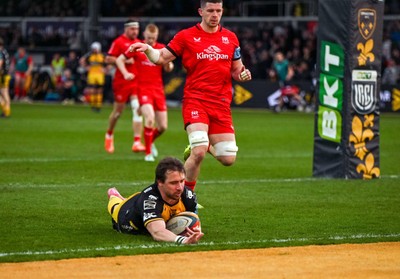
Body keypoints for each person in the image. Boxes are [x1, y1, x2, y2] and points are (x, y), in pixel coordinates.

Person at [130, 0, 252, 191]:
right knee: (199, 152)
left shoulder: (230, 38)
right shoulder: (186, 36)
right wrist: (147, 49)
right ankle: (187, 199)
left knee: (228, 158)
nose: (215, 15)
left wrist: (243, 74)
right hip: (196, 100)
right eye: (210, 10)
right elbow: (161, 57)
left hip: (221, 103)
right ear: (201, 11)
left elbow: (237, 70)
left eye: (218, 11)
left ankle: (201, 143)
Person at [107, 156, 204, 245]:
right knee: (115, 206)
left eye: (182, 181)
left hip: (140, 200)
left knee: (141, 201)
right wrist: (183, 240)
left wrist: (194, 230)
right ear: (160, 182)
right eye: (173, 183)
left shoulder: (188, 196)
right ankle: (113, 195)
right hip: (125, 213)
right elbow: (157, 232)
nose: (180, 187)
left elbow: (193, 221)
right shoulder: (149, 201)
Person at [116, 23, 174, 162]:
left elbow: (169, 68)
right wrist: (125, 73)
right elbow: (120, 59)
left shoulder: (161, 48)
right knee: (149, 118)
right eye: (148, 38)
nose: (150, 41)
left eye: (153, 38)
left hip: (158, 90)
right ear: (144, 35)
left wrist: (168, 64)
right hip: (143, 89)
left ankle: (149, 141)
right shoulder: (138, 47)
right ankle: (148, 153)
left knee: (163, 127)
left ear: (157, 36)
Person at [104, 19, 145, 154]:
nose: (135, 32)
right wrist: (125, 59)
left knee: (137, 108)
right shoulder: (119, 42)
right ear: (126, 29)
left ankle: (137, 141)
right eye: (132, 29)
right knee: (117, 113)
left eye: (136, 29)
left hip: (136, 81)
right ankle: (109, 134)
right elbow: (108, 58)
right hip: (122, 81)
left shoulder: (139, 43)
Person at [79, 41, 106, 112]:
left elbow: (109, 62)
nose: (94, 50)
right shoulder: (89, 55)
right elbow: (81, 60)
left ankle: (98, 106)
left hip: (100, 75)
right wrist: (86, 67)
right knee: (92, 90)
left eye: (95, 48)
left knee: (99, 90)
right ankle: (93, 105)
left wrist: (106, 69)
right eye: (93, 48)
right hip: (92, 74)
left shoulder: (103, 55)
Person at [0, 38, 11, 117]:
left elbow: (0, 64)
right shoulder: (5, 52)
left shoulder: (1, 53)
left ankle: (6, 110)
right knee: (5, 93)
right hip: (5, 75)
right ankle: (6, 111)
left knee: (4, 93)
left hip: (2, 75)